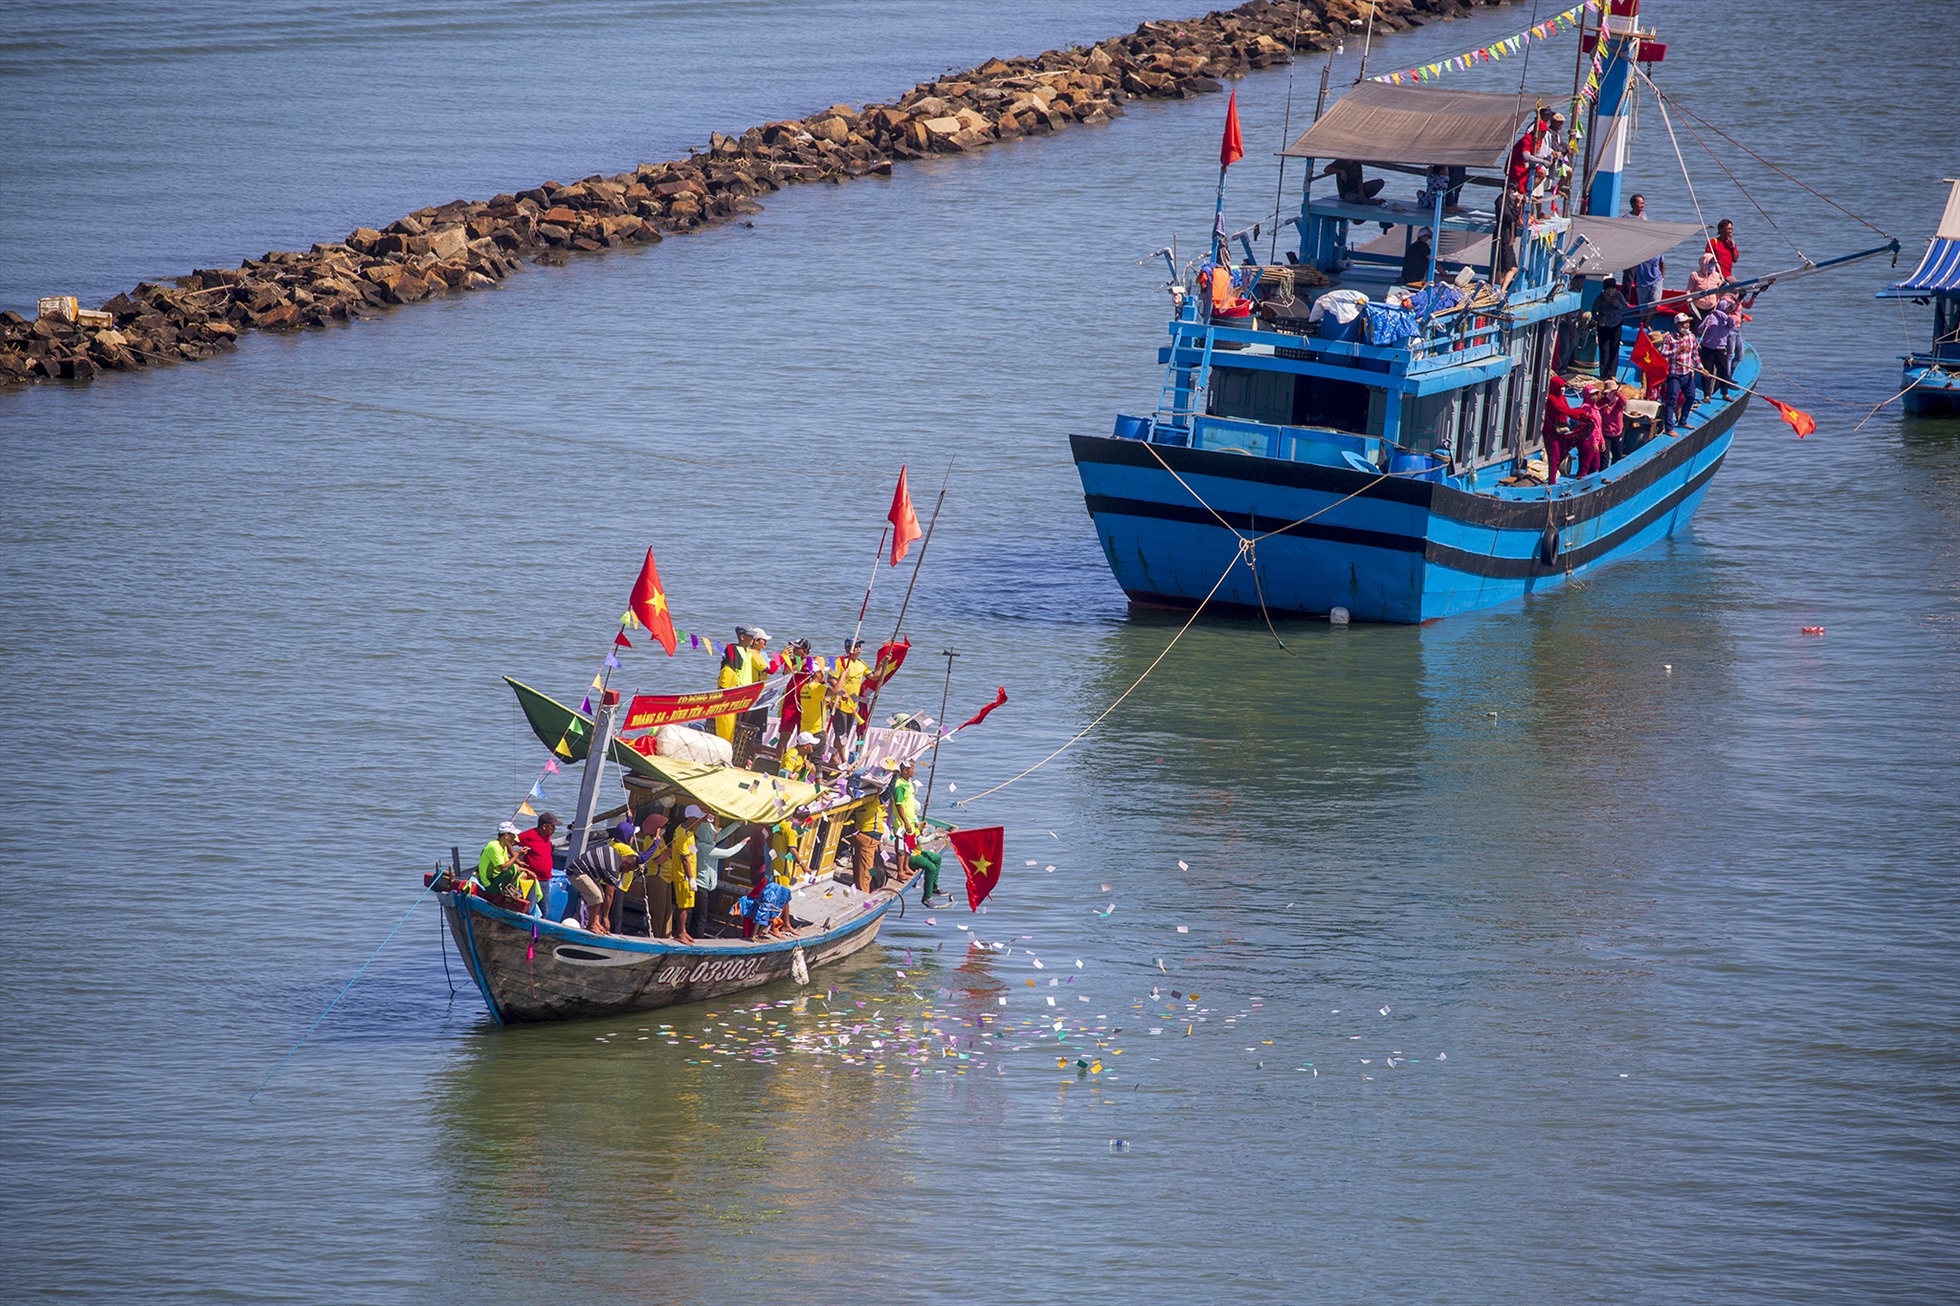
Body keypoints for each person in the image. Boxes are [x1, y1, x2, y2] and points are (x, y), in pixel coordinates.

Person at [562, 834, 640, 937]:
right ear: (626, 864)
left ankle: (596, 923)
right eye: (628, 870)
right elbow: (610, 894)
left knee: (599, 895)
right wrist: (606, 917)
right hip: (576, 872)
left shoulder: (614, 853)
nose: (626, 872)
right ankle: (592, 925)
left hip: (582, 870)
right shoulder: (614, 868)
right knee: (596, 896)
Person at [661, 807, 707, 944]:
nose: (700, 820)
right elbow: (684, 858)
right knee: (683, 906)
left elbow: (692, 851)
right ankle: (680, 932)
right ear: (691, 818)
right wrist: (691, 878)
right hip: (683, 876)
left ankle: (684, 931)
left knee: (687, 906)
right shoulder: (682, 832)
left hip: (689, 874)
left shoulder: (690, 832)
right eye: (698, 818)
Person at [476, 821, 539, 909]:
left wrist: (527, 870)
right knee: (514, 868)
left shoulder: (503, 846)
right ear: (506, 836)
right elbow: (504, 867)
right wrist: (518, 854)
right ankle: (505, 892)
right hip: (489, 884)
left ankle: (510, 891)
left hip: (496, 878)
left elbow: (507, 863)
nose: (515, 838)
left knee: (523, 874)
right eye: (513, 836)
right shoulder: (494, 847)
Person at [1542, 381, 1593, 485]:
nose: (1563, 389)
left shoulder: (1563, 398)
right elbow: (1565, 411)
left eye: (1564, 387)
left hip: (1561, 431)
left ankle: (1553, 477)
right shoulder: (1552, 399)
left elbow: (1569, 411)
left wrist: (1583, 418)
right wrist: (1583, 413)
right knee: (1554, 457)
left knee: (1561, 454)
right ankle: (1552, 482)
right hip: (1551, 433)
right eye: (1561, 387)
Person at [1657, 314, 1699, 431]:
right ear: (1678, 325)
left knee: (1691, 396)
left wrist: (1701, 368)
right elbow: (1663, 353)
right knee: (1672, 400)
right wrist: (1677, 350)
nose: (1687, 325)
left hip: (1687, 374)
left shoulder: (1691, 337)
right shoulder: (1670, 338)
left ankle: (1683, 421)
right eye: (1685, 323)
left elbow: (1695, 355)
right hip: (1674, 375)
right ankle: (1669, 427)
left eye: (1688, 322)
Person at [1625, 194, 1664, 312]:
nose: (1642, 205)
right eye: (1640, 203)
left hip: (1643, 251)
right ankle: (1626, 301)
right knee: (1629, 277)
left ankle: (1640, 300)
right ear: (1633, 205)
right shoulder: (1627, 218)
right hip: (1632, 252)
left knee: (1641, 277)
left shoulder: (1644, 215)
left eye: (1643, 203)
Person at [1698, 297, 1739, 400]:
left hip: (1720, 349)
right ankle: (1706, 395)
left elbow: (1732, 324)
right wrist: (1705, 326)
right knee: (1707, 372)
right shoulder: (1710, 317)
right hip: (1707, 348)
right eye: (1728, 308)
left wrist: (1718, 313)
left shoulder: (1727, 320)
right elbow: (1699, 330)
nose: (1729, 310)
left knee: (1723, 372)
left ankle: (1724, 393)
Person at [849, 790, 887, 893]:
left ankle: (861, 887)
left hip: (861, 835)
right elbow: (888, 793)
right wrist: (895, 776)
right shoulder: (872, 801)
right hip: (869, 838)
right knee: (866, 869)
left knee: (861, 866)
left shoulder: (860, 801)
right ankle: (863, 892)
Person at [1593, 276, 1629, 383]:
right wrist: (1599, 319)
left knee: (1614, 348)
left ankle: (1612, 373)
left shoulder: (1619, 296)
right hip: (1604, 326)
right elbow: (1594, 312)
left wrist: (1617, 304)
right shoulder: (1600, 298)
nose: (1610, 291)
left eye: (1612, 289)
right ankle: (1603, 374)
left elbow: (1625, 309)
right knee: (1604, 350)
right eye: (1608, 289)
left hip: (1616, 324)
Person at [516, 811, 558, 888]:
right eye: (553, 827)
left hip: (546, 879)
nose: (555, 829)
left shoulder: (547, 836)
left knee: (545, 900)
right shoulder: (529, 835)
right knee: (531, 900)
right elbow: (509, 842)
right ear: (544, 827)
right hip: (533, 879)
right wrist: (516, 858)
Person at [1574, 383, 1607, 477]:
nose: (1595, 396)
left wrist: (1601, 440)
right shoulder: (1585, 408)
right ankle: (1580, 483)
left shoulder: (1595, 408)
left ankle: (1590, 482)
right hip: (1587, 440)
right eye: (1592, 394)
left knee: (1595, 465)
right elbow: (1588, 426)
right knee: (1585, 465)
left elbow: (1598, 427)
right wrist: (1593, 441)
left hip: (1595, 440)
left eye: (1596, 394)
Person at [1594, 381, 1630, 464]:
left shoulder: (1619, 402)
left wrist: (1618, 395)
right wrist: (1603, 409)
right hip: (1605, 433)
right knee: (1604, 457)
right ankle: (1603, 473)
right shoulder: (1601, 402)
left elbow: (1625, 402)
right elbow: (1596, 413)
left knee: (1617, 455)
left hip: (1617, 433)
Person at [1686, 251, 1724, 318]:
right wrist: (1689, 302)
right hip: (1698, 308)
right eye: (1711, 263)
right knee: (1696, 327)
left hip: (1712, 308)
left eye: (1714, 263)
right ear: (1705, 263)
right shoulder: (1695, 275)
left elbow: (1721, 291)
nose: (1713, 265)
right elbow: (1689, 291)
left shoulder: (1717, 276)